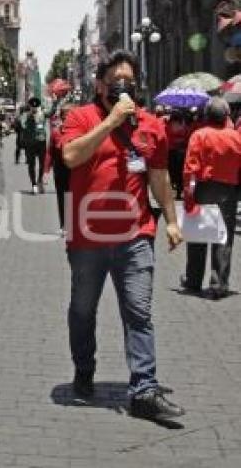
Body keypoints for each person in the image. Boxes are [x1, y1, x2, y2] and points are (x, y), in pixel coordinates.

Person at [61, 50, 184, 421]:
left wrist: (173, 221)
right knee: (83, 311)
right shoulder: (79, 117)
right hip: (86, 238)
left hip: (136, 235)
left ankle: (144, 389)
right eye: (116, 80)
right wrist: (110, 123)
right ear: (99, 84)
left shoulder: (151, 125)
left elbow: (159, 175)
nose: (123, 86)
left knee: (139, 312)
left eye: (129, 80)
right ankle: (84, 370)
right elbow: (70, 156)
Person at [180, 97, 241, 299]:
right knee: (223, 237)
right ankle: (219, 283)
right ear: (226, 116)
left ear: (207, 115)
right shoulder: (236, 137)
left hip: (204, 189)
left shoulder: (199, 135)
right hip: (228, 191)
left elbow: (190, 169)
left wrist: (188, 197)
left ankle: (193, 280)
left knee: (198, 235)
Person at [48, 102, 75, 233]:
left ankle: (73, 223)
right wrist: (46, 170)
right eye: (65, 115)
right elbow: (50, 151)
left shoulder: (80, 131)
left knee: (75, 196)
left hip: (75, 168)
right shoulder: (56, 132)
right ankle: (64, 225)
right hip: (60, 168)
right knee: (62, 197)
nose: (66, 118)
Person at [20, 97, 51, 194]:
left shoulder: (42, 114)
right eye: (32, 106)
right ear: (29, 106)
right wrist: (30, 116)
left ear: (38, 106)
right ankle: (33, 184)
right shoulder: (26, 115)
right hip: (30, 143)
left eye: (36, 106)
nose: (34, 108)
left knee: (42, 164)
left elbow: (51, 113)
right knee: (31, 164)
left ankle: (39, 181)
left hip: (41, 142)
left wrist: (55, 101)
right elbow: (22, 125)